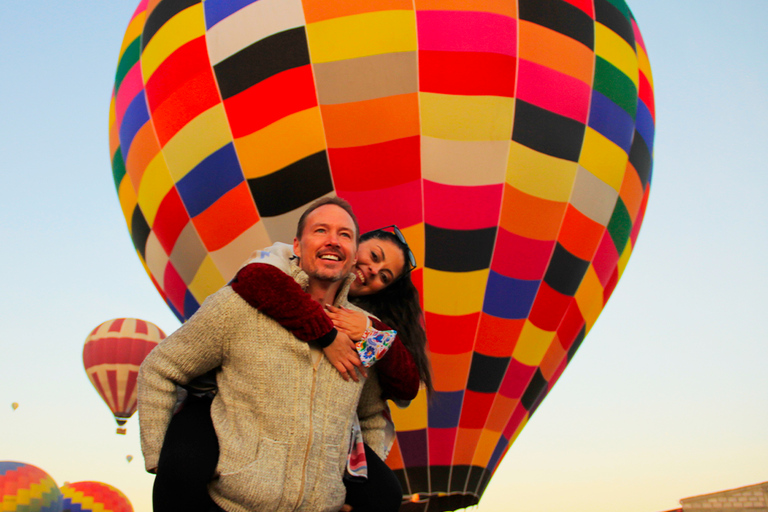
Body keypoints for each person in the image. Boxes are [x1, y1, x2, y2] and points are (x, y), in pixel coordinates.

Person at [151, 225, 433, 512]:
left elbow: (405, 387)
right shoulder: (285, 259)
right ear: (353, 243)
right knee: (182, 466)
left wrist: (371, 332)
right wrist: (329, 335)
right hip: (225, 395)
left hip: (321, 419)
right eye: (374, 255)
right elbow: (256, 279)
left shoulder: (366, 322)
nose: (374, 270)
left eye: (384, 276)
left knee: (384, 495)